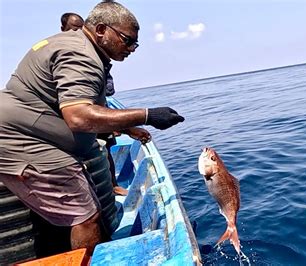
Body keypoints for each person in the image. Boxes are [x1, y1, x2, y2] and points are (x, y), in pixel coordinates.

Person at [0, 0, 184, 259]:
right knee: (86, 215)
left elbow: (90, 103)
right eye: (127, 40)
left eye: (135, 43)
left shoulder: (74, 45)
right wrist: (148, 115)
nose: (132, 48)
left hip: (23, 132)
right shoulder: (81, 55)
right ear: (100, 30)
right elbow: (78, 116)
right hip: (21, 140)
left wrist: (130, 128)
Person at [60, 12, 130, 196]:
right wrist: (143, 119)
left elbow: (104, 91)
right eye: (73, 29)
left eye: (80, 28)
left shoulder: (95, 56)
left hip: (97, 107)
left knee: (106, 146)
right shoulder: (68, 54)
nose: (77, 32)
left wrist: (112, 122)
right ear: (63, 29)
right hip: (76, 115)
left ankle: (112, 184)